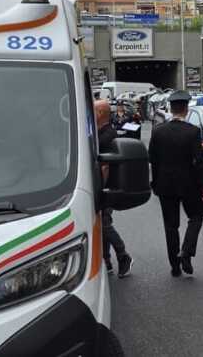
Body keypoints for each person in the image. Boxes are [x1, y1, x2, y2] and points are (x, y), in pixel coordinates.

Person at [149, 90, 203, 277]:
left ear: (171, 108)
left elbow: (152, 158)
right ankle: (186, 251)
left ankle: (175, 266)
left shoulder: (158, 131)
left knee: (171, 226)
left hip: (165, 184)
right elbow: (199, 162)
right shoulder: (193, 132)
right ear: (186, 109)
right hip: (189, 184)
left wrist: (156, 181)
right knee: (197, 216)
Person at [94, 100, 133, 278]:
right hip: (102, 186)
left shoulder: (106, 135)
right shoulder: (100, 132)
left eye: (93, 110)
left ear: (101, 113)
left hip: (105, 187)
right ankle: (106, 260)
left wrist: (100, 190)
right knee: (102, 224)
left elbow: (105, 166)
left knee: (104, 224)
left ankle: (123, 256)